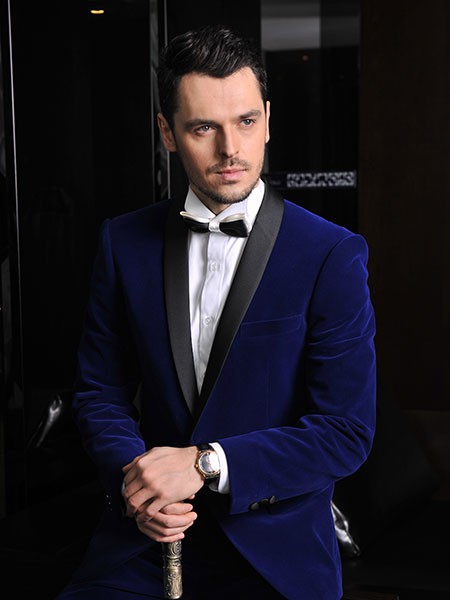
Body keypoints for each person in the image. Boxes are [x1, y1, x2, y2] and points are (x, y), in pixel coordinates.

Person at [56, 24, 376, 600]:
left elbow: (345, 432)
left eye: (246, 121)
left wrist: (205, 464)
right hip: (143, 544)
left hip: (274, 556)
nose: (231, 149)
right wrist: (140, 486)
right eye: (204, 127)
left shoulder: (331, 253)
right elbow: (99, 392)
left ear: (268, 120)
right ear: (168, 132)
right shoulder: (122, 243)